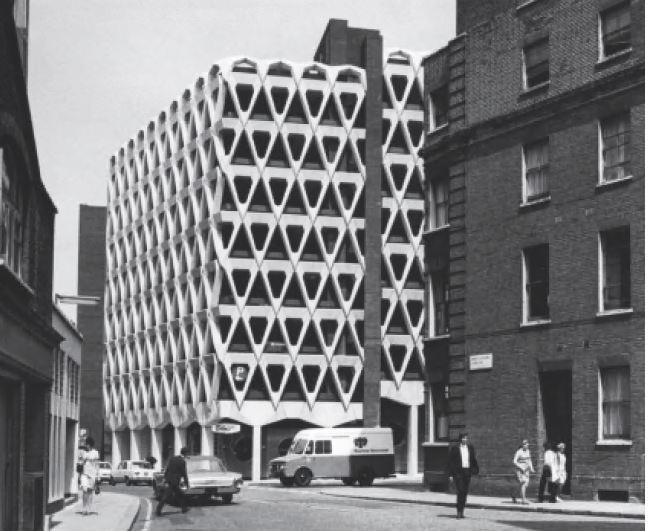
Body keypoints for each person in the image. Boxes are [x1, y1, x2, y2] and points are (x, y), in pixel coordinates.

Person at [447, 433, 479, 519]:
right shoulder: (455, 448)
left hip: (467, 472)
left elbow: (473, 459)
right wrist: (450, 474)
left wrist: (474, 470)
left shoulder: (470, 448)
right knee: (460, 491)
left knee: (464, 493)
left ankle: (462, 511)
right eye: (463, 438)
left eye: (466, 438)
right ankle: (458, 512)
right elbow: (450, 462)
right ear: (460, 439)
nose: (465, 440)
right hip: (458, 473)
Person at [156, 447, 190, 516]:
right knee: (166, 496)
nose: (188, 455)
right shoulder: (182, 461)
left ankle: (184, 508)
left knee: (180, 494)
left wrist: (165, 478)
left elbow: (167, 469)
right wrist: (187, 483)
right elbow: (184, 473)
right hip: (175, 481)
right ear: (186, 453)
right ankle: (158, 510)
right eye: (187, 453)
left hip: (169, 479)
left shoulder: (173, 458)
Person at [78, 436, 100, 516]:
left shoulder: (95, 453)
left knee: (90, 491)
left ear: (90, 444)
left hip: (92, 474)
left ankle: (88, 508)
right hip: (84, 473)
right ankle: (84, 508)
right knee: (84, 490)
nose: (86, 445)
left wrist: (98, 476)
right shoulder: (84, 453)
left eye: (87, 444)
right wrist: (79, 475)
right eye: (85, 444)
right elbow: (81, 463)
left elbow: (97, 465)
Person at [512, 439, 534, 504]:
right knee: (523, 484)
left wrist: (531, 468)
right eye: (525, 444)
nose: (527, 446)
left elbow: (529, 460)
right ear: (522, 445)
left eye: (527, 444)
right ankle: (523, 500)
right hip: (520, 470)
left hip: (526, 470)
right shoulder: (519, 452)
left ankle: (514, 494)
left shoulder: (528, 451)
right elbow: (514, 461)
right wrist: (521, 467)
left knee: (524, 485)